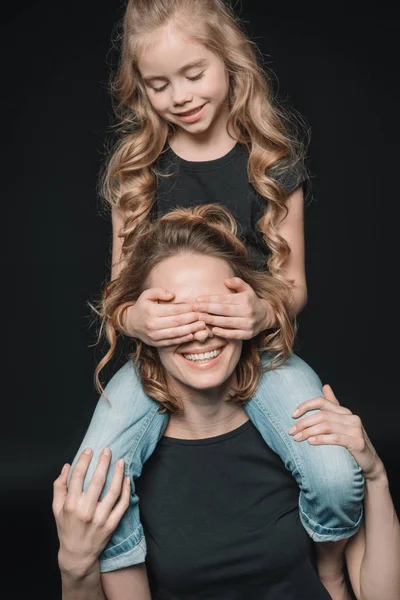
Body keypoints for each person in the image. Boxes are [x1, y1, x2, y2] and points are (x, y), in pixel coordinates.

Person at [67, 0, 365, 573]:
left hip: (264, 357)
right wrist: (138, 322)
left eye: (193, 74)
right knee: (93, 483)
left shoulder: (271, 162)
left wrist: (258, 314)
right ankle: (132, 580)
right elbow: (117, 299)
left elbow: (293, 285)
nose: (179, 95)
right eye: (158, 84)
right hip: (163, 362)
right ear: (140, 89)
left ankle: (326, 568)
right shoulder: (138, 170)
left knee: (334, 474)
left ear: (230, 61)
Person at [54, 206, 400, 599]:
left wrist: (376, 476)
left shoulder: (302, 433)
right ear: (144, 325)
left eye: (216, 310)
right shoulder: (124, 466)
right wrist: (74, 567)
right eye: (176, 315)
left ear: (248, 311)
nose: (200, 333)